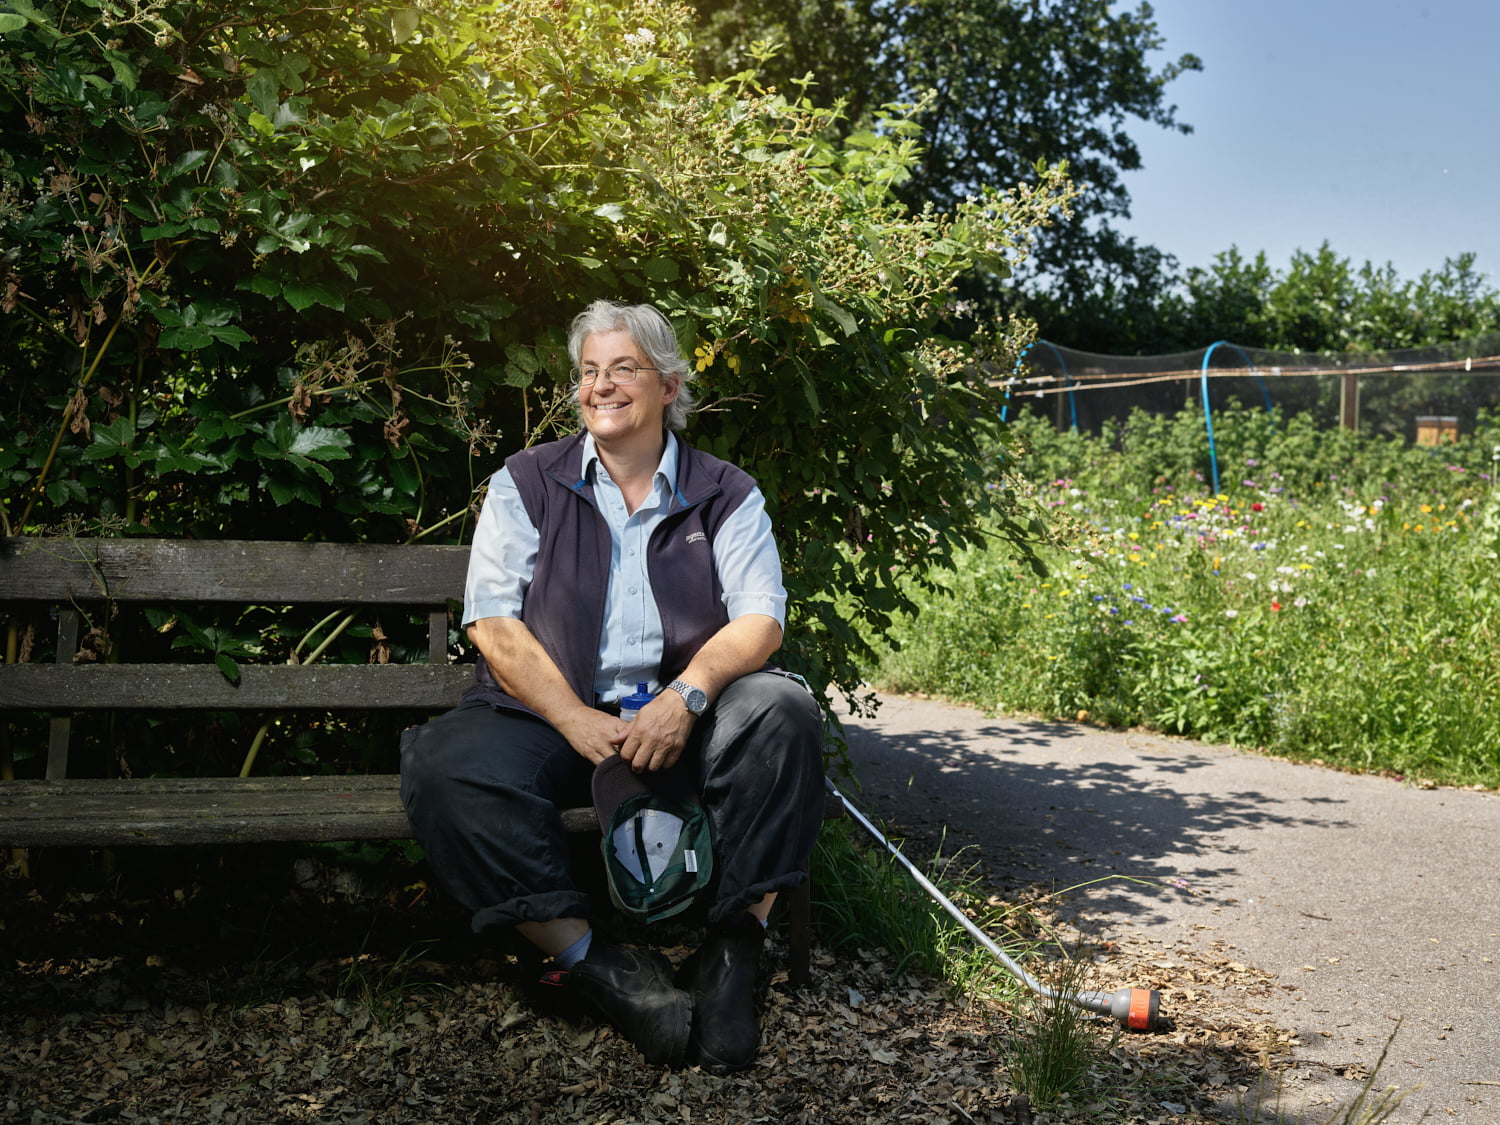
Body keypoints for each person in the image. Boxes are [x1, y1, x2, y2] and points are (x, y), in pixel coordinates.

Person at [399, 299, 825, 1072]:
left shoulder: (725, 491)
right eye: (589, 371)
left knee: (783, 711)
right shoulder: (526, 481)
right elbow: (491, 622)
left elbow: (761, 619)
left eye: (623, 368)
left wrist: (686, 697)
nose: (600, 385)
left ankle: (732, 956)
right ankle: (601, 967)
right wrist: (570, 716)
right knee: (446, 765)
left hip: (685, 723)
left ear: (668, 385)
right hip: (550, 719)